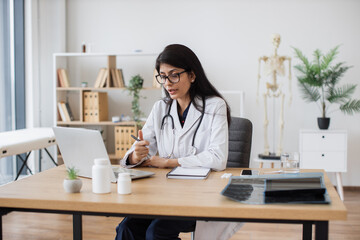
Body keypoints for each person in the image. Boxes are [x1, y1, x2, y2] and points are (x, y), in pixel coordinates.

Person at [115, 44, 242, 240]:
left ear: (192, 75)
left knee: (156, 232)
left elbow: (218, 158)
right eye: (163, 76)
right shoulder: (161, 108)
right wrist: (135, 155)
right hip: (163, 192)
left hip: (198, 195)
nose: (168, 83)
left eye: (174, 75)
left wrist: (170, 162)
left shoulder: (215, 106)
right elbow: (140, 148)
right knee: (127, 228)